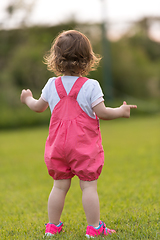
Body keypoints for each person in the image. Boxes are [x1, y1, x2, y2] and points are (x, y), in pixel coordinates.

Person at [20, 30, 137, 238]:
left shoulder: (51, 85)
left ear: (56, 59)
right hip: (83, 146)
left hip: (57, 146)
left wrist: (27, 98)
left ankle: (52, 227)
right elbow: (102, 113)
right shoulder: (91, 86)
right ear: (88, 59)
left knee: (59, 186)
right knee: (88, 186)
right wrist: (121, 111)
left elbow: (38, 107)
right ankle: (93, 227)